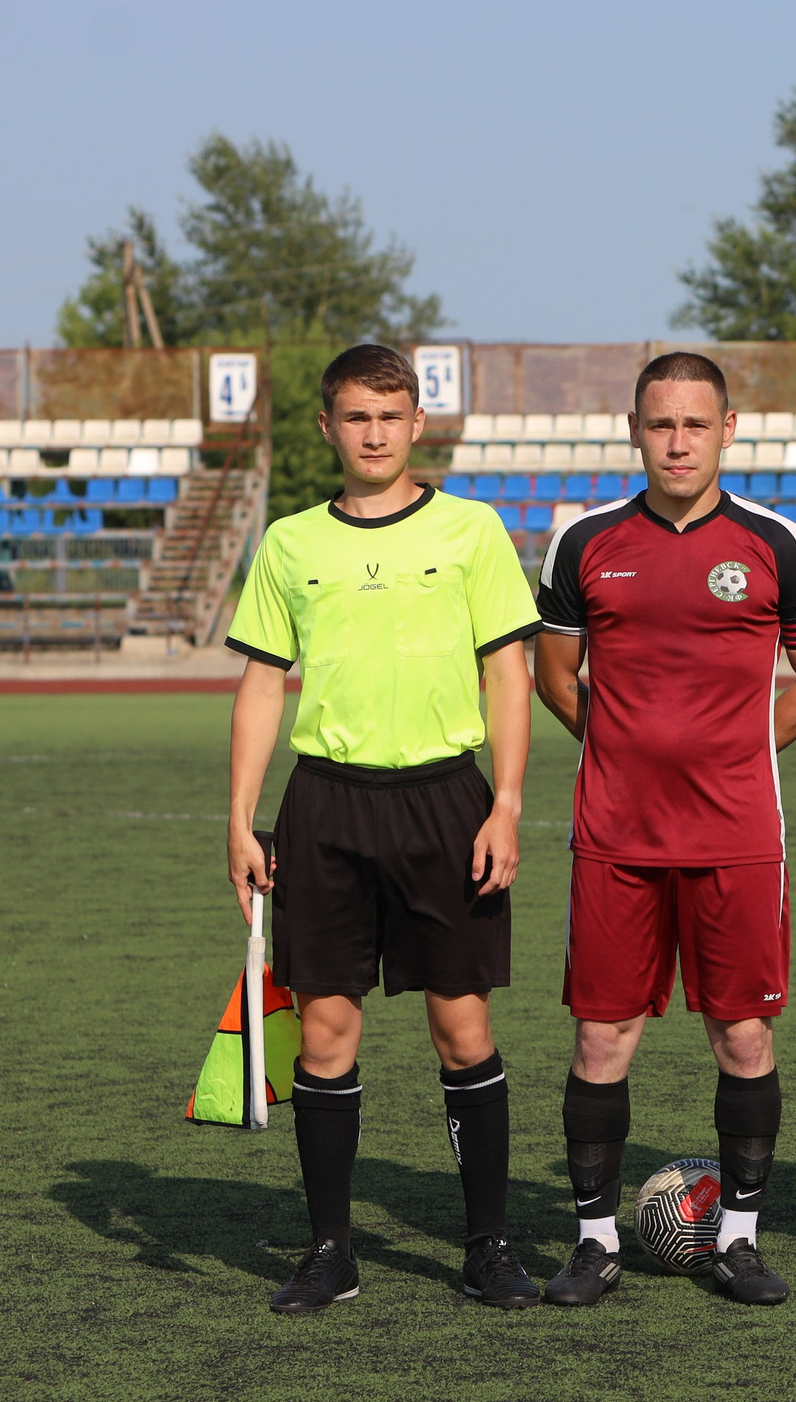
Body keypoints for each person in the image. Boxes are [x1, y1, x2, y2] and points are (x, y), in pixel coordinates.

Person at [225, 343, 542, 1315]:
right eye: (355, 417)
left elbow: (508, 674)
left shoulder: (472, 531)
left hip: (446, 801)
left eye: (389, 417)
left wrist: (507, 802)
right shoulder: (289, 544)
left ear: (416, 425)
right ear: (328, 427)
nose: (373, 433)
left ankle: (486, 1245)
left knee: (463, 1025)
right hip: (323, 806)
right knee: (325, 1032)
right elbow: (259, 686)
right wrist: (239, 819)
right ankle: (332, 1251)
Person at [530, 351, 796, 1308]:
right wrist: (621, 745)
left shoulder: (777, 544)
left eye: (696, 424)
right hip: (615, 835)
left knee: (741, 1035)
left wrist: (744, 751)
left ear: (728, 430)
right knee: (600, 1039)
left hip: (739, 834)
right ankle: (594, 1242)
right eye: (661, 424)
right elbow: (554, 674)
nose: (678, 442)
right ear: (636, 429)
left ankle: (739, 1239)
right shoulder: (584, 542)